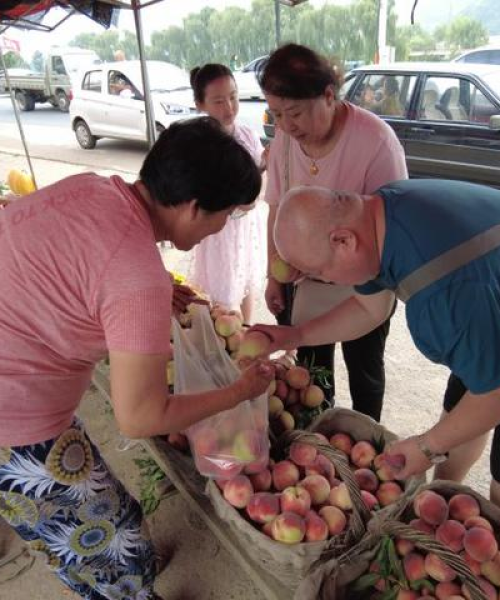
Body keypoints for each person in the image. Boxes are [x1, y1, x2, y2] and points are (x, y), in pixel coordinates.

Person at [0, 117, 275, 600]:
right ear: (192, 207)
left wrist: (148, 290)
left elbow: (74, 257)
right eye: (227, 214)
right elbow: (140, 417)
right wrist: (238, 391)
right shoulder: (137, 278)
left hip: (18, 381)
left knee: (85, 525)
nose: (221, 227)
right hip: (14, 422)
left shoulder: (94, 189)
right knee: (106, 542)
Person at [251, 179, 500, 505]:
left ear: (343, 241)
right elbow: (369, 308)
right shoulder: (383, 212)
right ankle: (444, 496)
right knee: (462, 405)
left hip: (473, 301)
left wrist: (427, 446)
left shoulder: (442, 299)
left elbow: (493, 394)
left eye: (320, 271)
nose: (327, 281)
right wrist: (297, 335)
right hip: (484, 301)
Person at [257, 43, 407, 421]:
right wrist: (273, 270)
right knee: (308, 372)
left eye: (294, 112)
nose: (287, 126)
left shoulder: (376, 142)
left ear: (328, 95)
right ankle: (317, 436)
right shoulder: (283, 143)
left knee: (365, 371)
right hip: (303, 284)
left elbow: (391, 227)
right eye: (276, 114)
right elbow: (277, 207)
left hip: (365, 284)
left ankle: (366, 436)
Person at [188, 63, 267, 323]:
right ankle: (222, 342)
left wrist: (262, 171)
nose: (229, 107)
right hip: (217, 230)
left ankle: (246, 331)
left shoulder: (248, 136)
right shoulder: (198, 144)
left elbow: (257, 181)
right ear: (200, 103)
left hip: (245, 227)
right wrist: (239, 201)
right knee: (221, 290)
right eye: (219, 101)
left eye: (233, 97)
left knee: (246, 277)